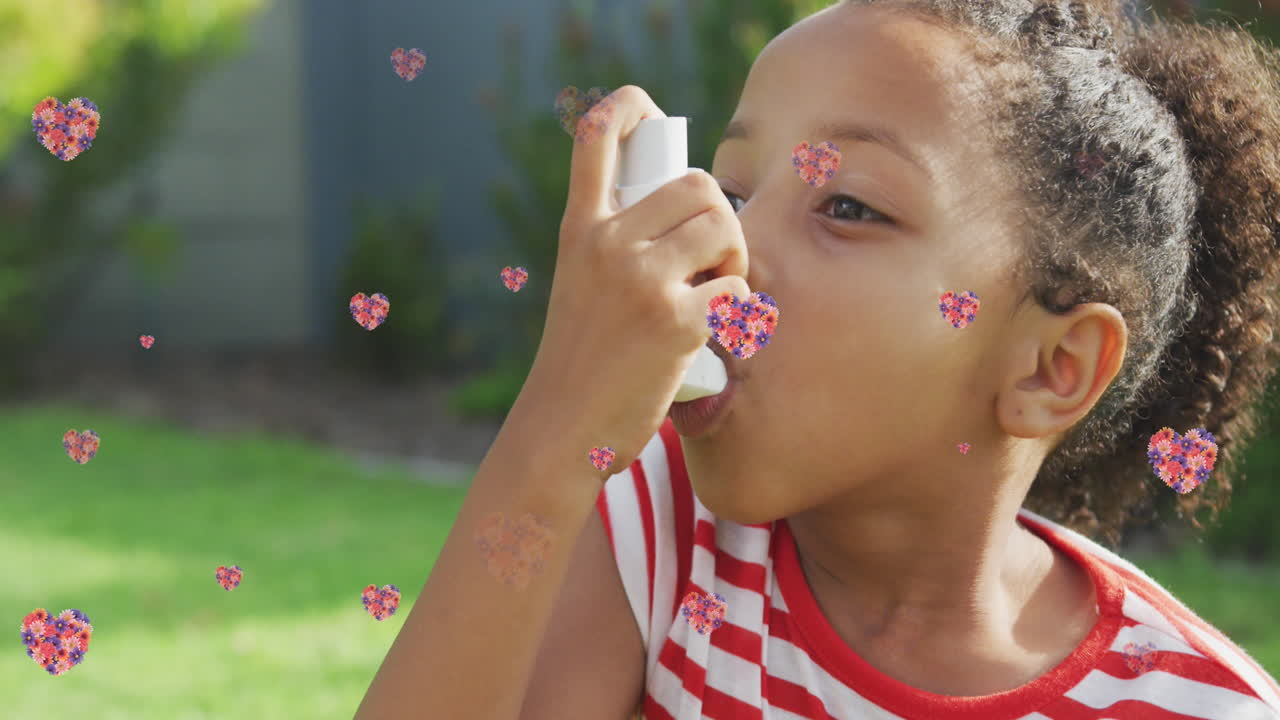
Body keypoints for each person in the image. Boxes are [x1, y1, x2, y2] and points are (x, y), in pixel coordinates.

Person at [352, 0, 1280, 717]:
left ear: (1052, 367)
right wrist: (556, 431)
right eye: (733, 187)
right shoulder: (655, 539)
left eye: (848, 206)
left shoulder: (1196, 703)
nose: (728, 247)